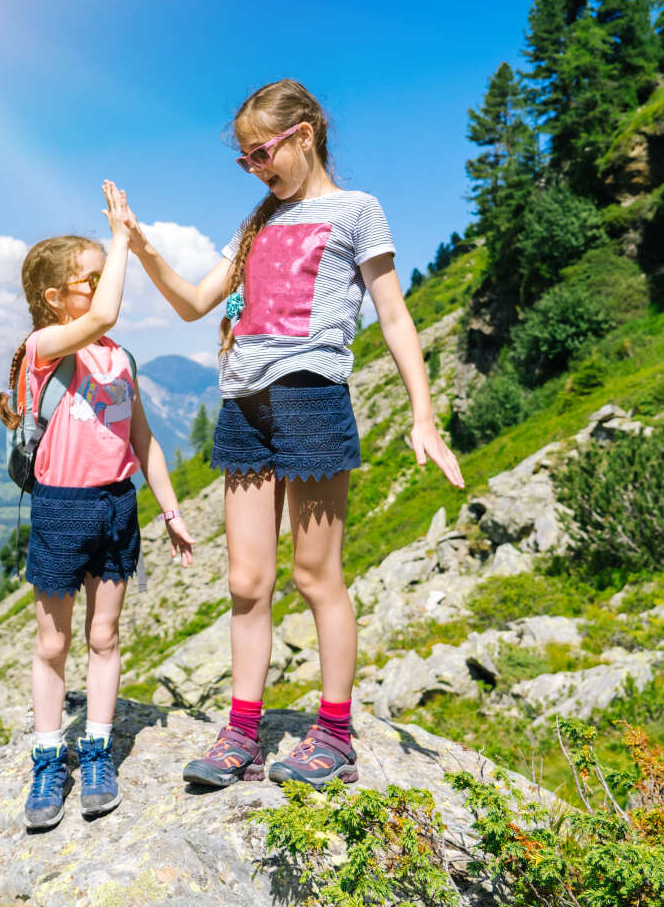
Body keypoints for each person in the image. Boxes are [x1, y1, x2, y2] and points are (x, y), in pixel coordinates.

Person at [119, 80, 463, 789]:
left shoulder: (357, 211)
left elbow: (395, 317)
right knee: (246, 580)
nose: (256, 169)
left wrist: (422, 414)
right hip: (244, 404)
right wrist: (142, 247)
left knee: (315, 575)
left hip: (312, 401)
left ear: (304, 134)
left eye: (262, 154)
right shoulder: (254, 224)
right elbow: (192, 305)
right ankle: (242, 732)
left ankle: (334, 734)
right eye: (245, 160)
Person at [0, 181, 196, 829]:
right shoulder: (42, 350)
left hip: (116, 506)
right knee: (52, 642)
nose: (107, 282)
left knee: (103, 636)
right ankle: (48, 759)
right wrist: (119, 236)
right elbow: (103, 316)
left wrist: (169, 511)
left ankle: (97, 749)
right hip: (59, 508)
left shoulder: (120, 360)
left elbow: (145, 443)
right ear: (55, 298)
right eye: (93, 277)